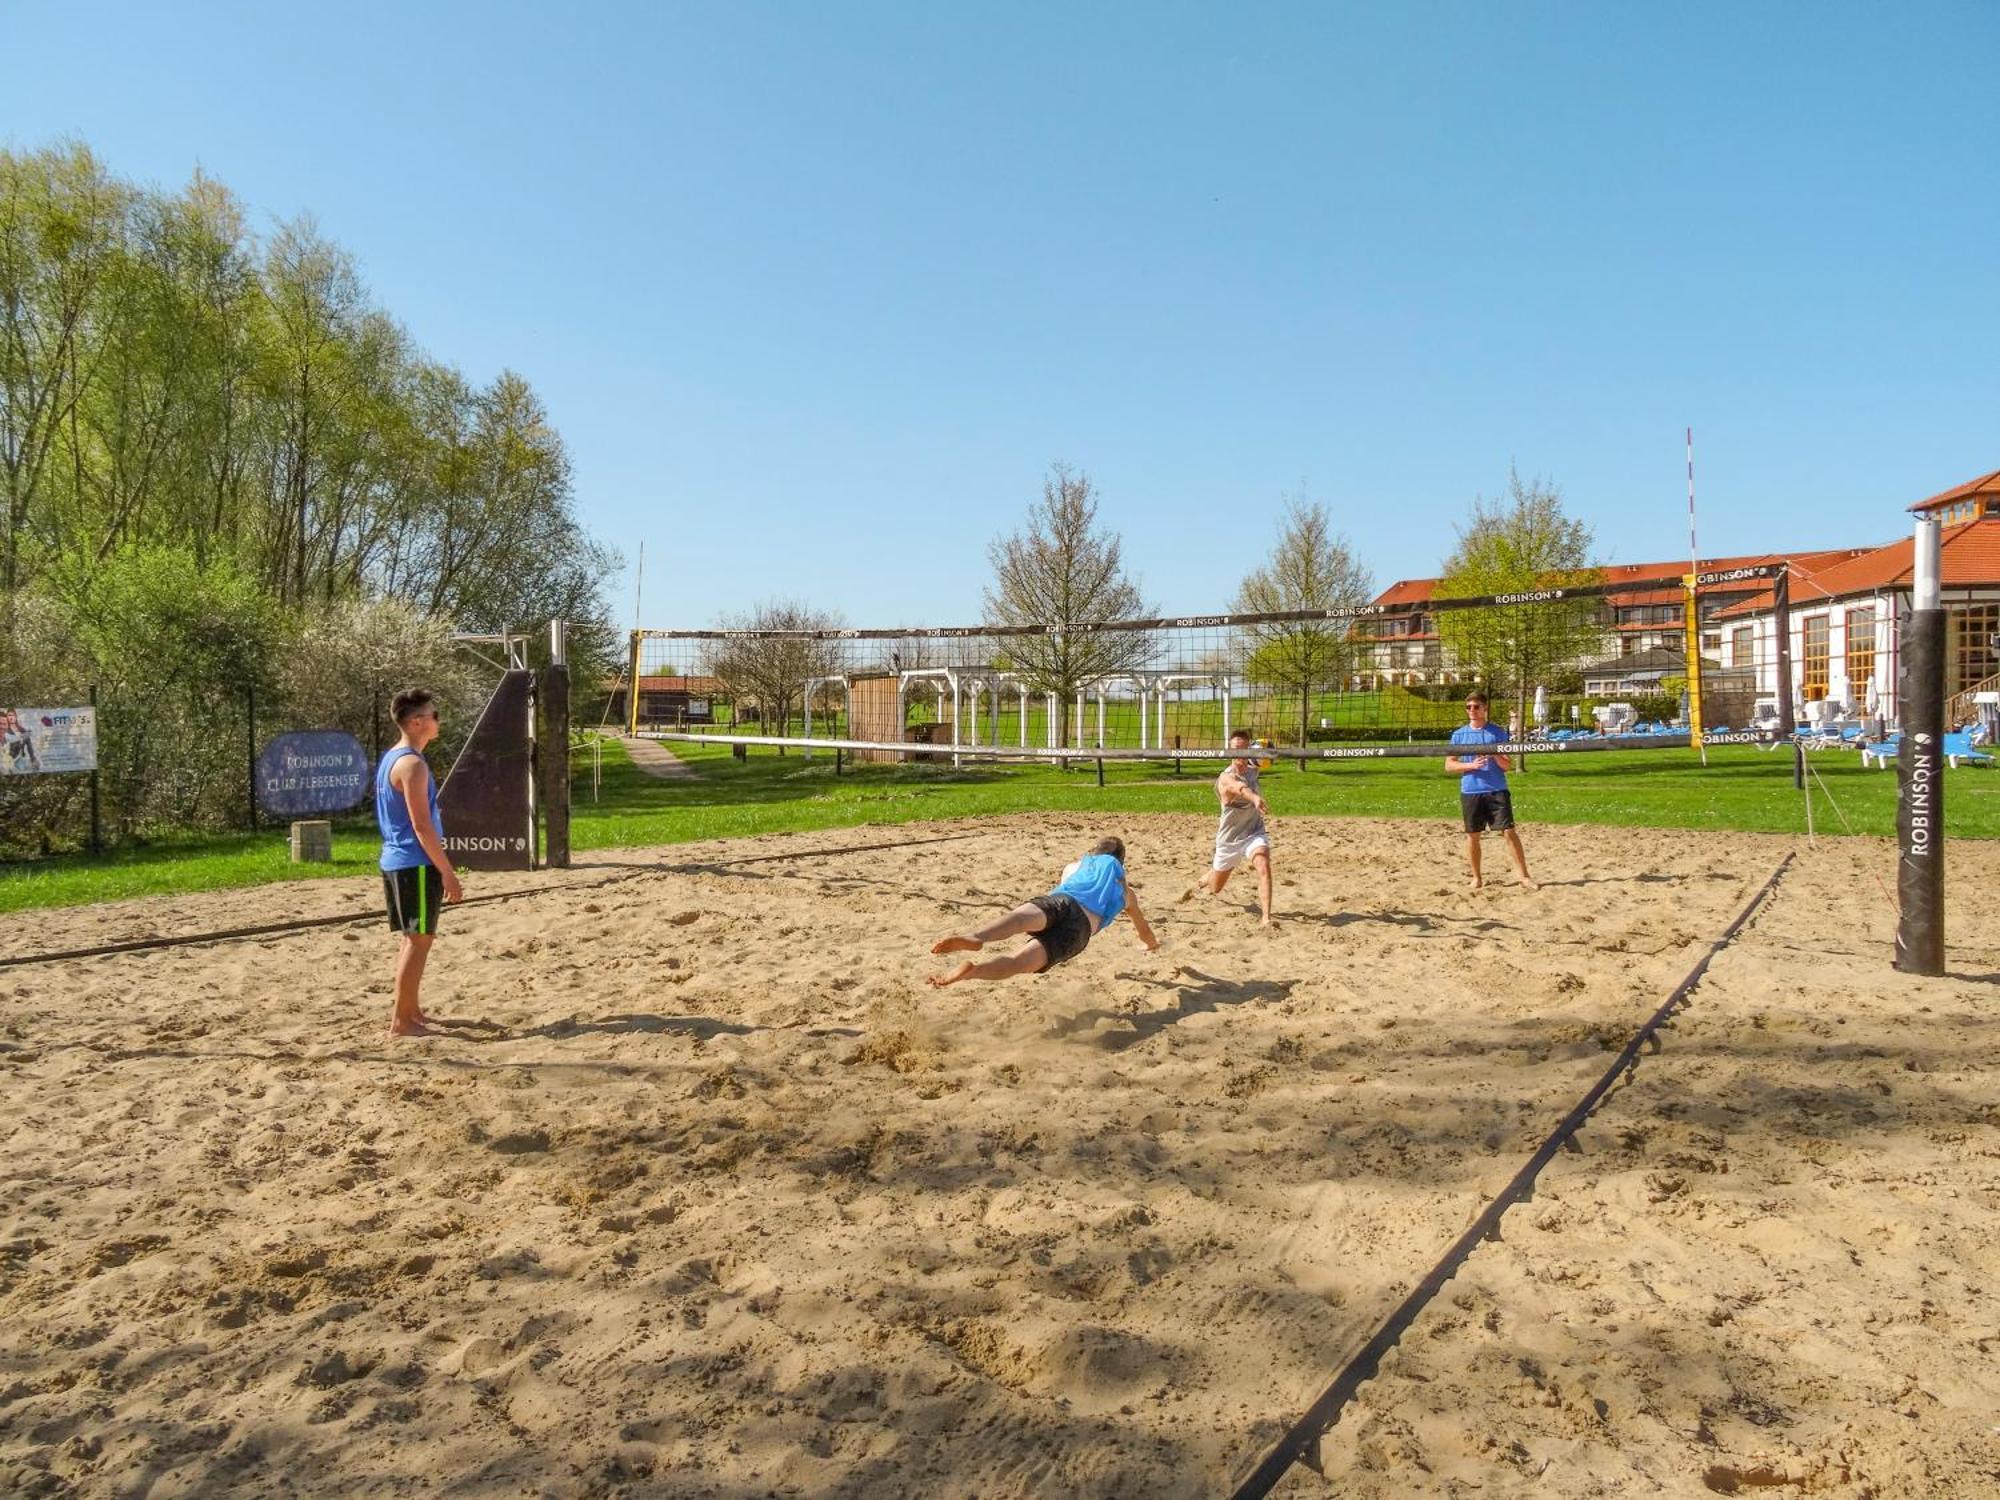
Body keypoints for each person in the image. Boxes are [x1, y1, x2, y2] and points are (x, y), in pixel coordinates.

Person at [928, 836, 1159, 986]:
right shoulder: (1126, 893)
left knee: (1017, 919)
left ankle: (976, 937)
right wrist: (1151, 945)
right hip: (1079, 929)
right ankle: (973, 972)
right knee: (1016, 963)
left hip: (1061, 901)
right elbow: (1143, 929)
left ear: (1094, 853)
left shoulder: (1076, 867)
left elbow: (1066, 885)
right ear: (1121, 863)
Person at [377, 688, 463, 1037]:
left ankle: (410, 1011)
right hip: (415, 862)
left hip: (398, 860)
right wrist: (447, 871)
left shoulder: (394, 757)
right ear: (417, 722)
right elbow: (421, 825)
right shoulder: (412, 764)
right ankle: (402, 1021)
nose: (438, 720)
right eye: (434, 715)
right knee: (419, 940)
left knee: (412, 938)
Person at [1447, 691, 1536, 891]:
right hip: (1471, 790)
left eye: (1476, 706)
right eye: (1468, 707)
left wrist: (1494, 753)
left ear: (1485, 709)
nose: (1472, 710)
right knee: (1473, 835)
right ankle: (1477, 878)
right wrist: (1471, 766)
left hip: (1496, 789)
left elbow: (1506, 766)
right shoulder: (1459, 735)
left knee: (1509, 832)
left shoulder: (1496, 732)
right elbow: (1449, 765)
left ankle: (1524, 876)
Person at [1189, 728, 1276, 927]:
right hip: (1229, 839)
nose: (1241, 753)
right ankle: (1208, 877)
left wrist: (1269, 750)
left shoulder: (1254, 768)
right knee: (1215, 888)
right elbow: (1238, 788)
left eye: (1245, 749)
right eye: (1237, 748)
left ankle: (1266, 918)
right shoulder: (1225, 777)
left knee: (1263, 864)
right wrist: (1254, 798)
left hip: (1254, 832)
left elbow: (1267, 754)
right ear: (1229, 749)